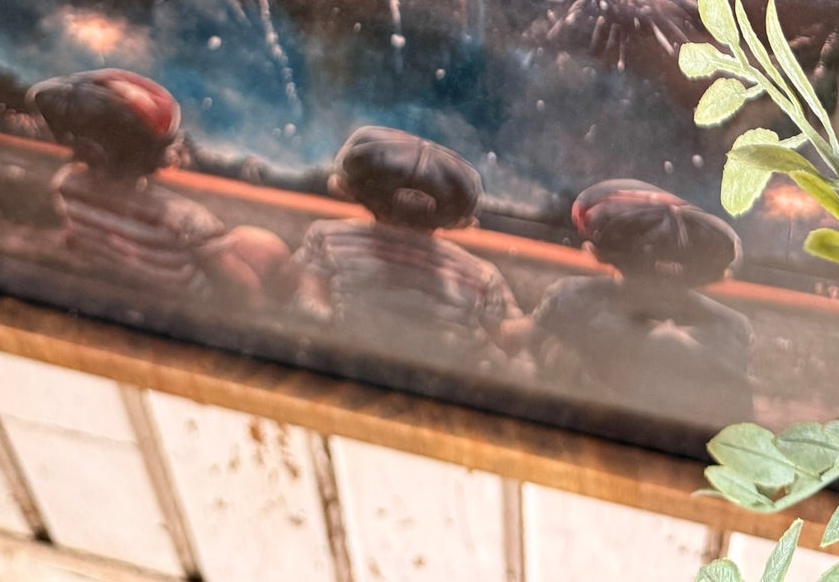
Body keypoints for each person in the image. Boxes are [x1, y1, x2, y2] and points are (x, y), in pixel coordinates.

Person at [29, 68, 289, 305]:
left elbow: (73, 240)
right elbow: (238, 285)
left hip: (124, 277)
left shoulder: (66, 184)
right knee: (263, 244)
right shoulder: (183, 217)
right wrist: (253, 303)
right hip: (186, 301)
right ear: (154, 155)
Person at [293, 125, 522, 375]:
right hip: (445, 381)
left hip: (344, 366)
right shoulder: (482, 275)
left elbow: (306, 300)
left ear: (343, 188)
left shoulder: (327, 237)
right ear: (463, 223)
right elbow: (511, 340)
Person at [529, 178, 754, 427]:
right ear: (721, 276)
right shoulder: (732, 326)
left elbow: (540, 377)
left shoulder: (572, 299)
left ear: (595, 252)